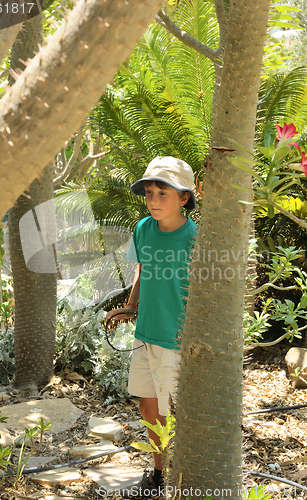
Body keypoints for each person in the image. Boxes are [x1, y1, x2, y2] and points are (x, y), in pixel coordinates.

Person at [106, 156, 198, 498]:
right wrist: (130, 306)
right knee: (149, 407)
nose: (154, 200)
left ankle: (186, 476)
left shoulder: (197, 238)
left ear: (184, 198)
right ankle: (159, 473)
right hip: (146, 334)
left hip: (177, 340)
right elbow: (143, 270)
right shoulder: (143, 228)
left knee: (178, 408)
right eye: (149, 193)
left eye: (163, 192)